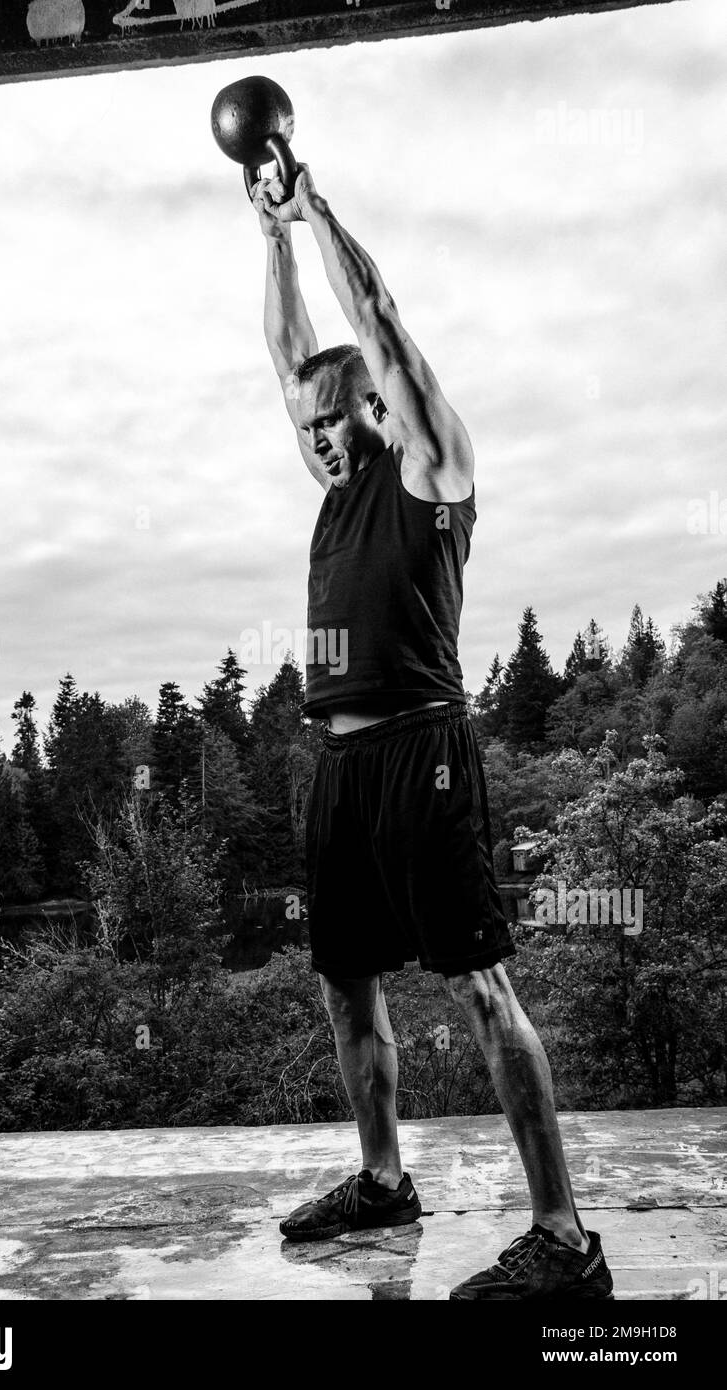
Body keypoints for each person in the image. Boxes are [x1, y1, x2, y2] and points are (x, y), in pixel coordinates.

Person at [251, 162, 613, 1301]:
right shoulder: (329, 485)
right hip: (341, 764)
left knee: (479, 988)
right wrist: (269, 238)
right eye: (307, 426)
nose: (317, 438)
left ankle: (563, 1236)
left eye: (334, 417)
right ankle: (381, 1180)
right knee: (344, 982)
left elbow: (380, 325)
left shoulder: (428, 468)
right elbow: (290, 354)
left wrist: (315, 211)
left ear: (377, 407)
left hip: (425, 753)